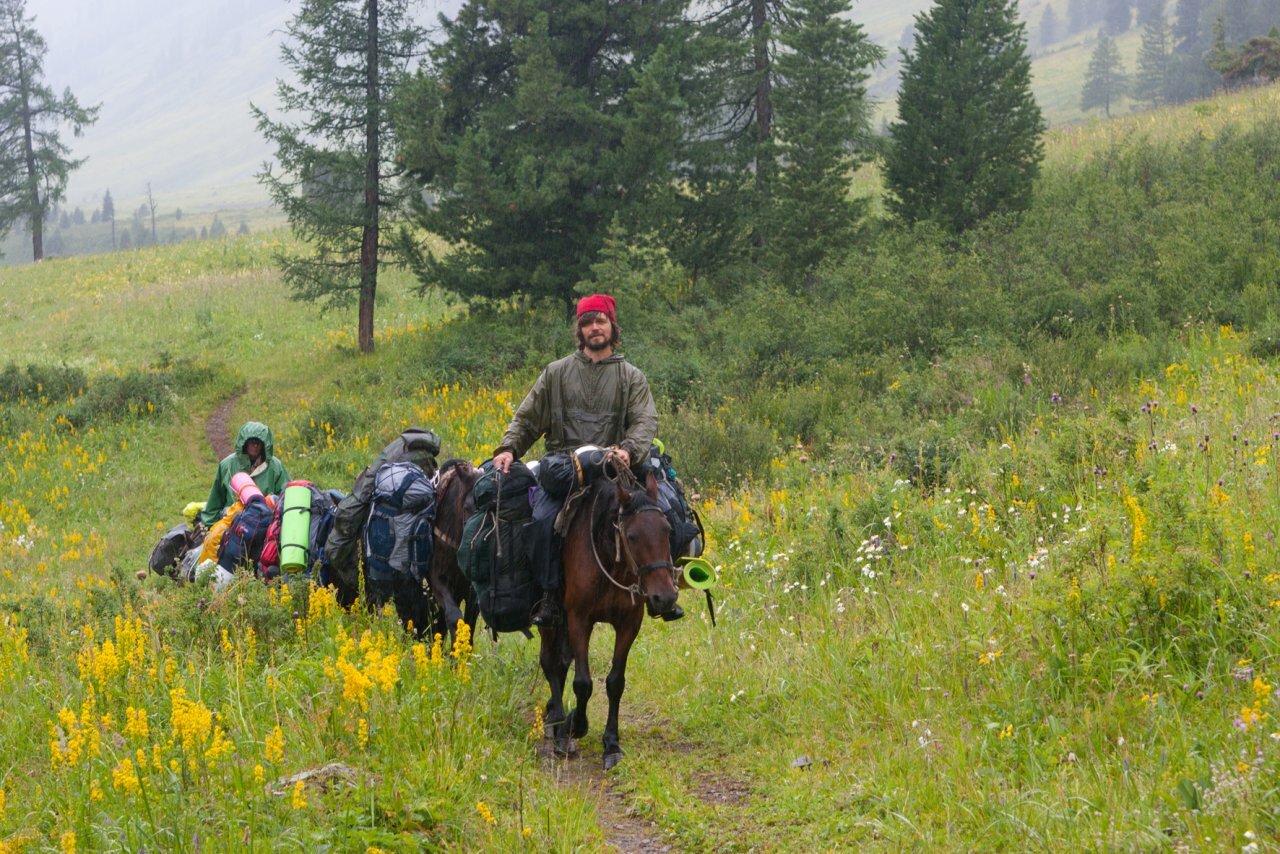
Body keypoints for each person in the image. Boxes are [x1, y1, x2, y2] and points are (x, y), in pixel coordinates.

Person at [493, 293, 681, 625]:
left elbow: (645, 421)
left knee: (665, 518)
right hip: (565, 471)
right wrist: (509, 448)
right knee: (539, 524)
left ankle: (662, 592)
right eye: (587, 322)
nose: (594, 328)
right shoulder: (556, 373)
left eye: (600, 321)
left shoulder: (631, 377)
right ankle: (549, 598)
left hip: (616, 470)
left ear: (612, 326)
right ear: (579, 331)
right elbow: (527, 418)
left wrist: (628, 449)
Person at [199, 421, 291, 528]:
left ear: (264, 445)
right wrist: (210, 526)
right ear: (244, 442)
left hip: (264, 524)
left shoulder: (275, 467)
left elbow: (285, 496)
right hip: (230, 523)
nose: (255, 445)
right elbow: (215, 499)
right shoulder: (227, 465)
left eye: (259, 442)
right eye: (251, 441)